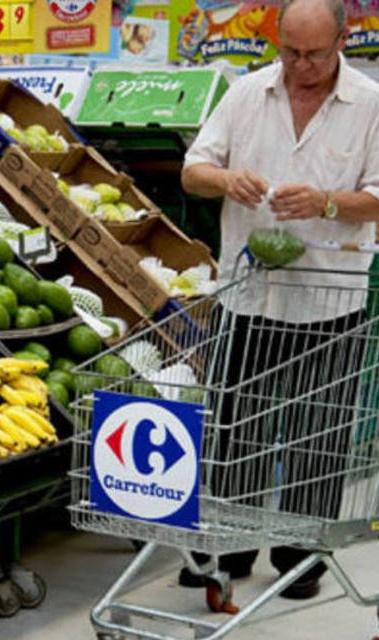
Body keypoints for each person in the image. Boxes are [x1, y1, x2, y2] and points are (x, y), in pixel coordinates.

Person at [181, 0, 379, 600]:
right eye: (289, 52)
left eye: (314, 54)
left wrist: (326, 202)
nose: (300, 65)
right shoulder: (246, 93)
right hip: (248, 296)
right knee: (236, 425)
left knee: (316, 433)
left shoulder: (370, 103)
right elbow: (194, 169)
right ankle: (231, 546)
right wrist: (226, 180)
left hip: (328, 298)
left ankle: (300, 555)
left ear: (342, 41)